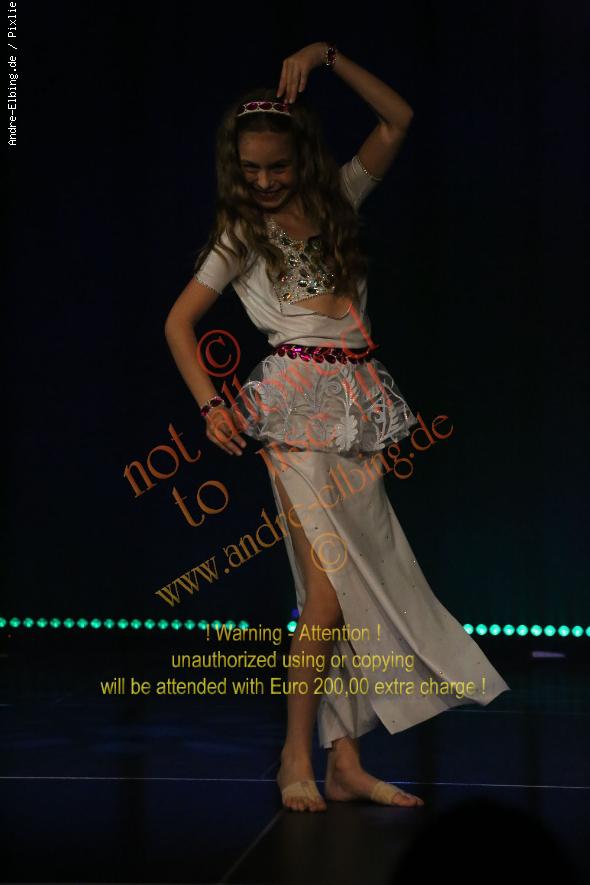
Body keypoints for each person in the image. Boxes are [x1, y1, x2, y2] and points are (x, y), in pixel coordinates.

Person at [164, 42, 511, 813]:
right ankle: (295, 755)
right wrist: (212, 405)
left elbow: (399, 119)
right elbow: (178, 323)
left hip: (354, 412)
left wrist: (327, 57)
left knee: (351, 591)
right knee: (323, 596)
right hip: (291, 412)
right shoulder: (239, 233)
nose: (263, 181)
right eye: (250, 169)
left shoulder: (340, 201)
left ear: (301, 156)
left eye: (276, 167)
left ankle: (346, 761)